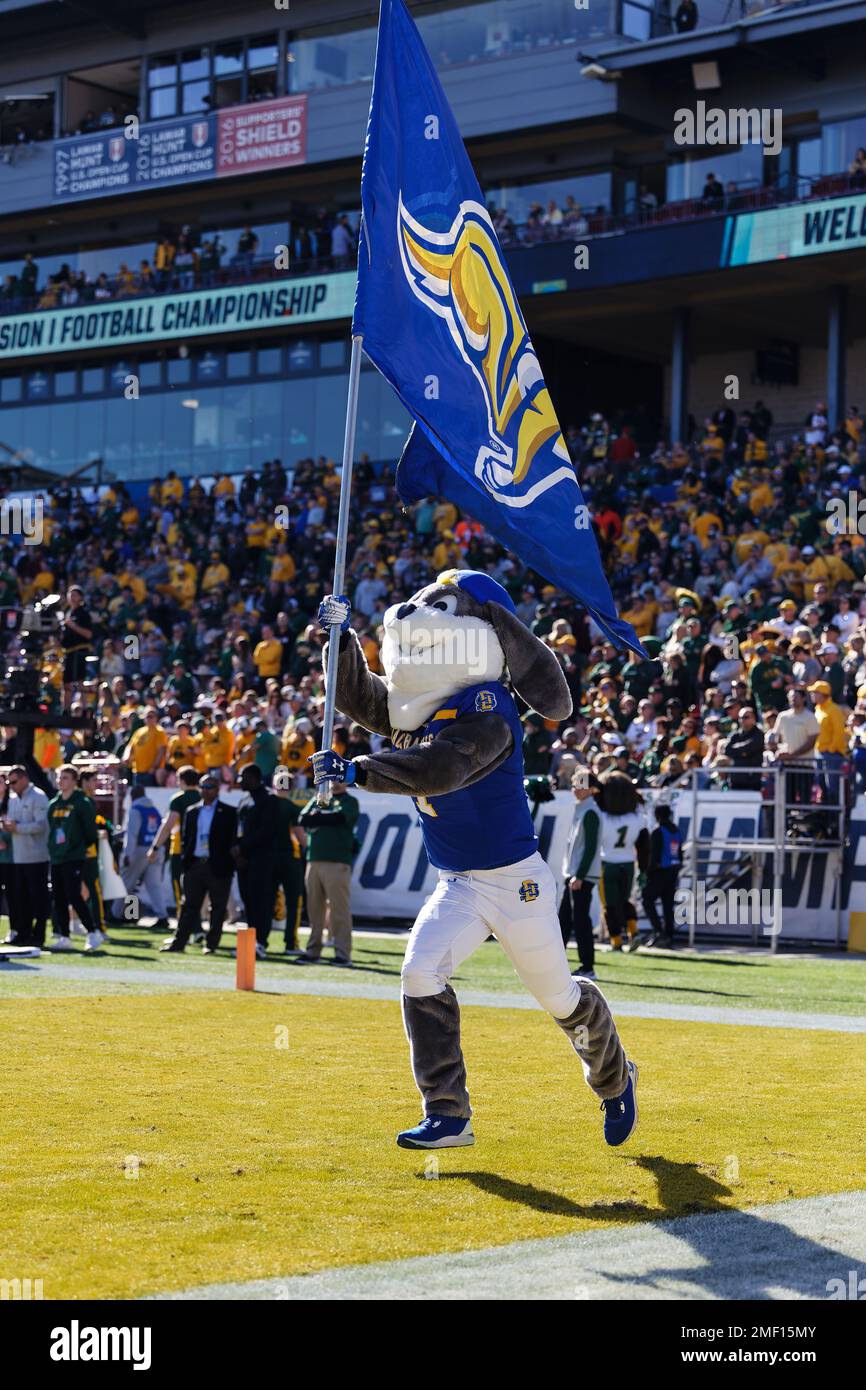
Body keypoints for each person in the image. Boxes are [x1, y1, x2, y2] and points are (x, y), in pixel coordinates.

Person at [162, 774, 238, 953]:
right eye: (203, 786)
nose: (205, 790)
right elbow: (186, 839)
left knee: (217, 908)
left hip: (217, 865)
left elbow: (232, 840)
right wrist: (186, 863)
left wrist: (228, 864)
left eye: (209, 786)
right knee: (189, 906)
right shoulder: (192, 811)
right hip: (195, 864)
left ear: (217, 789)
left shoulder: (228, 812)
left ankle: (211, 944)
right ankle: (179, 942)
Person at [297, 776, 359, 965]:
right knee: (314, 910)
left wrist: (319, 817)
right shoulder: (320, 797)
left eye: (339, 779)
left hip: (337, 861)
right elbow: (302, 818)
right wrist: (321, 817)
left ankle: (342, 953)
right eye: (332, 779)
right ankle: (313, 950)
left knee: (339, 910)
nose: (335, 783)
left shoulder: (350, 801)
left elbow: (339, 818)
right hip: (314, 859)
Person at [47, 765, 99, 952]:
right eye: (60, 777)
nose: (61, 781)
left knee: (74, 894)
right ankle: (64, 935)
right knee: (59, 896)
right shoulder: (54, 804)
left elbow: (90, 832)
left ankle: (93, 931)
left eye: (65, 778)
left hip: (74, 856)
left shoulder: (82, 802)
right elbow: (51, 830)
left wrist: (79, 847)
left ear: (74, 781)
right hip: (57, 856)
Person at [596, 772, 649, 951]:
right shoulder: (637, 818)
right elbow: (644, 847)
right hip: (628, 864)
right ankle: (634, 932)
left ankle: (616, 942)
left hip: (607, 863)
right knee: (625, 900)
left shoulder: (602, 817)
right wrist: (643, 869)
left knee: (609, 905)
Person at [559, 770, 601, 979]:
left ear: (588, 789)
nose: (574, 788)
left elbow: (591, 848)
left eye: (578, 784)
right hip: (575, 875)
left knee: (580, 921)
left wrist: (580, 875)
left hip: (580, 876)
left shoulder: (590, 812)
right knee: (564, 919)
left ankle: (588, 966)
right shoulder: (582, 810)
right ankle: (557, 963)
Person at [234, 763, 279, 958]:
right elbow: (239, 830)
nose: (240, 781)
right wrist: (238, 852)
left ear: (253, 777)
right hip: (244, 859)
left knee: (262, 900)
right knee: (248, 901)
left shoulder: (268, 799)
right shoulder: (244, 800)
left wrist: (242, 848)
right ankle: (251, 940)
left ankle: (261, 941)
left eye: (243, 777)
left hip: (262, 859)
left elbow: (266, 831)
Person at [3, 764, 49, 948]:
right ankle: (23, 933)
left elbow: (41, 826)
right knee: (21, 898)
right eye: (8, 782)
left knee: (38, 897)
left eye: (13, 782)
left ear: (24, 779)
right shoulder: (13, 799)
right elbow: (13, 823)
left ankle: (39, 935)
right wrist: (7, 826)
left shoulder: (39, 797)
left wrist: (17, 828)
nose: (11, 786)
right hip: (18, 856)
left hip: (36, 856)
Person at [147, 765, 200, 926]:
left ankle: (184, 925)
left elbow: (168, 825)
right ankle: (196, 926)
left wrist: (155, 847)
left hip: (180, 849)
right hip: (200, 850)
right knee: (198, 891)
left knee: (180, 889)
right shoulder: (202, 796)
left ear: (182, 780)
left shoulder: (178, 799)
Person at [121, 786, 170, 933]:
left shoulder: (136, 809)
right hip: (156, 849)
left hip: (140, 850)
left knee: (128, 882)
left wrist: (127, 854)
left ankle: (117, 914)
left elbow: (132, 835)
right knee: (154, 885)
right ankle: (162, 916)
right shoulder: (153, 809)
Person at [641, 804, 683, 948]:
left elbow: (654, 856)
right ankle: (669, 936)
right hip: (673, 873)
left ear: (657, 816)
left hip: (660, 873)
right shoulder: (676, 831)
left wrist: (648, 872)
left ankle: (659, 932)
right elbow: (679, 854)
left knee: (647, 899)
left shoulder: (658, 832)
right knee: (668, 906)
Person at [272, 771, 306, 953]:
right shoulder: (293, 808)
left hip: (267, 858)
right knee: (294, 902)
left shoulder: (266, 804)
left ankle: (260, 940)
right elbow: (301, 838)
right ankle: (291, 943)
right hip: (289, 858)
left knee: (264, 899)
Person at [808, 679, 848, 828]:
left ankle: (835, 823)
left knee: (833, 791)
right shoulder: (818, 709)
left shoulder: (834, 710)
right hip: (819, 754)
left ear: (823, 694)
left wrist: (830, 750)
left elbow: (839, 734)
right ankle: (825, 822)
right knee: (822, 790)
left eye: (815, 692)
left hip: (831, 755)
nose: (812, 695)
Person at [61, 585, 94, 704]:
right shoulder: (67, 613)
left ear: (81, 597)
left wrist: (72, 625)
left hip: (80, 651)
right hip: (68, 652)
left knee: (80, 680)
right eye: (70, 594)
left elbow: (88, 634)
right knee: (67, 682)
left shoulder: (83, 614)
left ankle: (84, 708)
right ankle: (66, 710)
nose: (71, 597)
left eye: (75, 594)